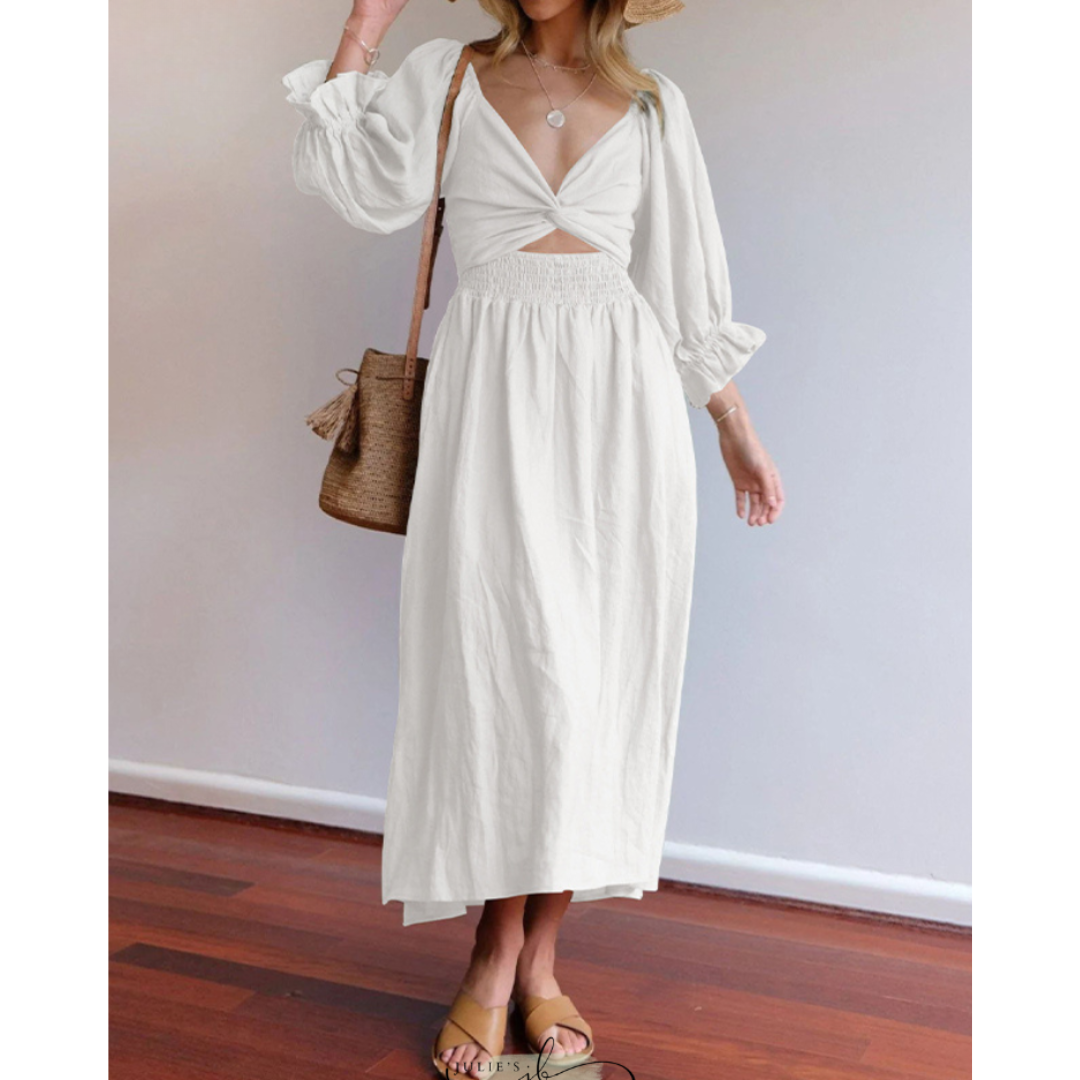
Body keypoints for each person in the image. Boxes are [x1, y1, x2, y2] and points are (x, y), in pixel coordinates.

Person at [283, 0, 784, 1074]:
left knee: (592, 691)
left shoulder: (654, 105)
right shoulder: (449, 75)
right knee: (498, 679)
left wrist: (734, 426)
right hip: (491, 409)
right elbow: (354, 184)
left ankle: (532, 953)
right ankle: (498, 946)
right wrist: (366, 24)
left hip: (621, 418)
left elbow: (683, 287)